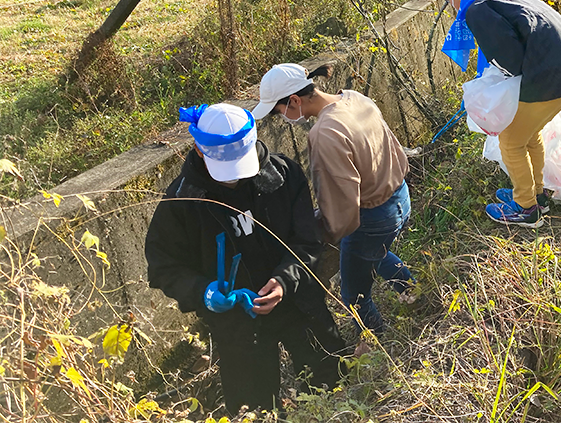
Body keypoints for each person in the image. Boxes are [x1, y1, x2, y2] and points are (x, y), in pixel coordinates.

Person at [145, 103, 344, 413]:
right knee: (254, 409)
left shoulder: (283, 176)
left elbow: (307, 241)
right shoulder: (182, 202)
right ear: (200, 150)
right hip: (237, 325)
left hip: (299, 304)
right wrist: (206, 293)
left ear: (255, 138)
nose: (234, 179)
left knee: (333, 382)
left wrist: (283, 281)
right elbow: (162, 266)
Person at [438, 0, 561, 228]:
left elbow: (510, 61)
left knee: (510, 141)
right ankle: (536, 194)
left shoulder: (477, 9)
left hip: (553, 76)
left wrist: (493, 87)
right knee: (528, 133)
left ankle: (526, 208)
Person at [252, 63, 415, 336]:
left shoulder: (325, 133)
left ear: (294, 100)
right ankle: (412, 293)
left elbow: (341, 201)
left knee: (354, 296)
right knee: (377, 251)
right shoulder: (355, 98)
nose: (283, 118)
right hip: (400, 196)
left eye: (280, 111)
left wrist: (316, 232)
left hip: (371, 215)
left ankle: (377, 344)